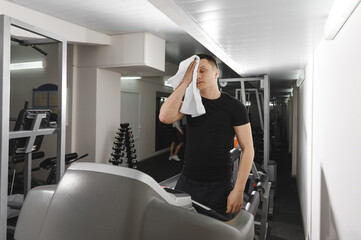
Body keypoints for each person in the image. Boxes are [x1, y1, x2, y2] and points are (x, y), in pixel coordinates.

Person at [159, 54, 254, 218]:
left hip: (218, 184)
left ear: (216, 73)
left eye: (202, 71)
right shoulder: (191, 102)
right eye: (195, 73)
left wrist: (238, 189)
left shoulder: (234, 107)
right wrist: (184, 83)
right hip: (187, 180)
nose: (198, 76)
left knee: (214, 231)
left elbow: (248, 149)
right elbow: (165, 117)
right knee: (182, 228)